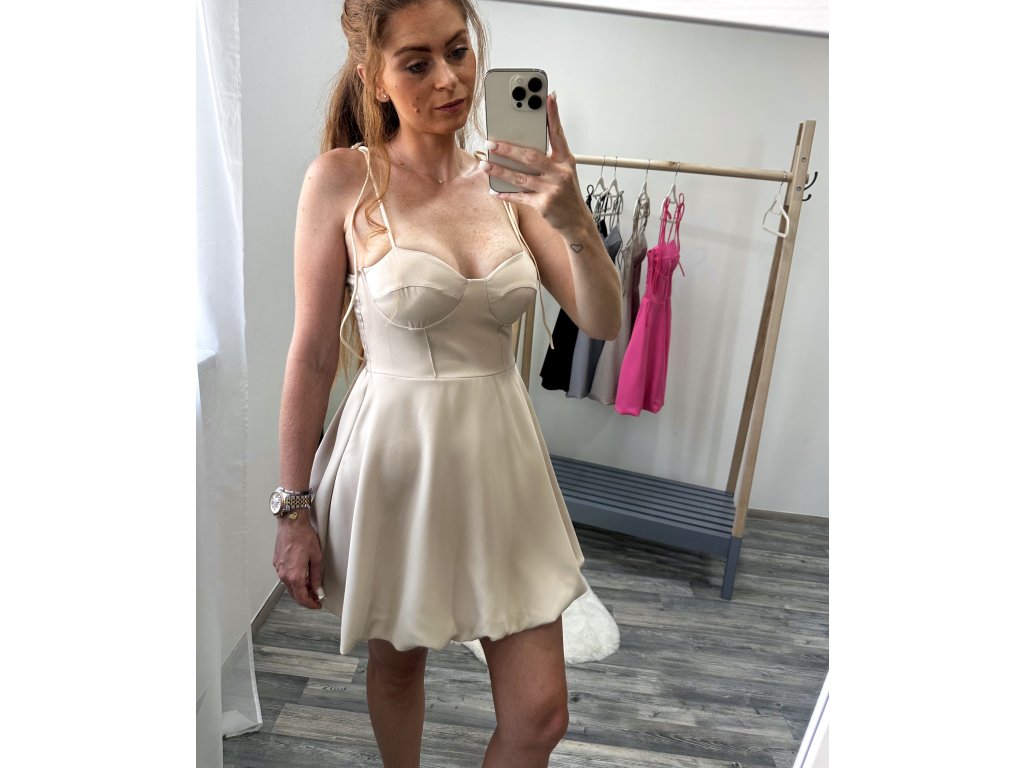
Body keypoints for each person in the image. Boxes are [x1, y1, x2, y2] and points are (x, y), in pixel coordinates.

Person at [271, 0, 621, 765]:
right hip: (396, 461)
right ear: (374, 77)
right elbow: (313, 355)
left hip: (503, 461)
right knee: (400, 664)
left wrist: (574, 219)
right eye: (417, 62)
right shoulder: (343, 180)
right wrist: (292, 508)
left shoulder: (511, 179)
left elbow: (602, 320)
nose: (449, 80)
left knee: (540, 716)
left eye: (458, 51)